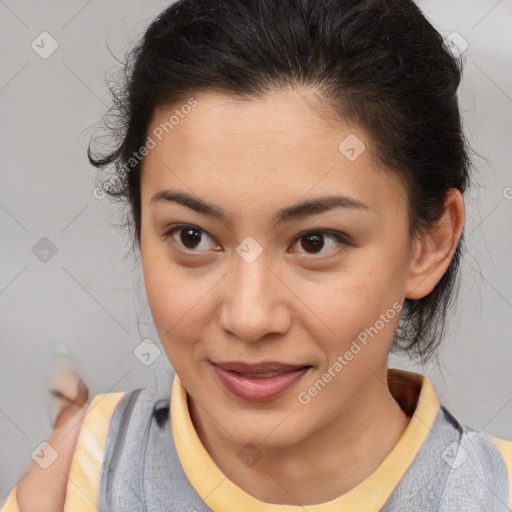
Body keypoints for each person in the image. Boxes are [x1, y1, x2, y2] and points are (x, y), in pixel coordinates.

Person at [3, 0, 511, 510]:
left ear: (430, 243)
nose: (249, 318)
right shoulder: (75, 480)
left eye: (315, 242)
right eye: (192, 237)